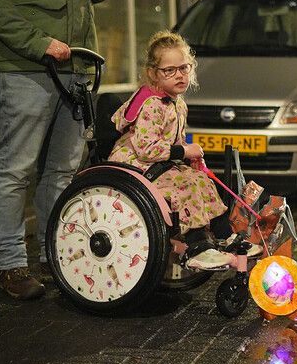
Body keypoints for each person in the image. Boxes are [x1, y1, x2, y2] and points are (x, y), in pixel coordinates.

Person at [0, 0, 121, 300]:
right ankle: (11, 265)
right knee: (15, 169)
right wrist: (37, 42)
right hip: (21, 67)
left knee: (62, 172)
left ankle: (54, 254)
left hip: (76, 64)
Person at [108, 32, 260, 270]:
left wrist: (190, 159)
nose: (179, 75)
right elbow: (146, 149)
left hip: (159, 163)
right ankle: (197, 248)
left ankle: (225, 236)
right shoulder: (151, 105)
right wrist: (184, 151)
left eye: (184, 68)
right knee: (185, 187)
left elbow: (175, 141)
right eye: (169, 70)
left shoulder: (179, 104)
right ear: (153, 74)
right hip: (136, 166)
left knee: (202, 180)